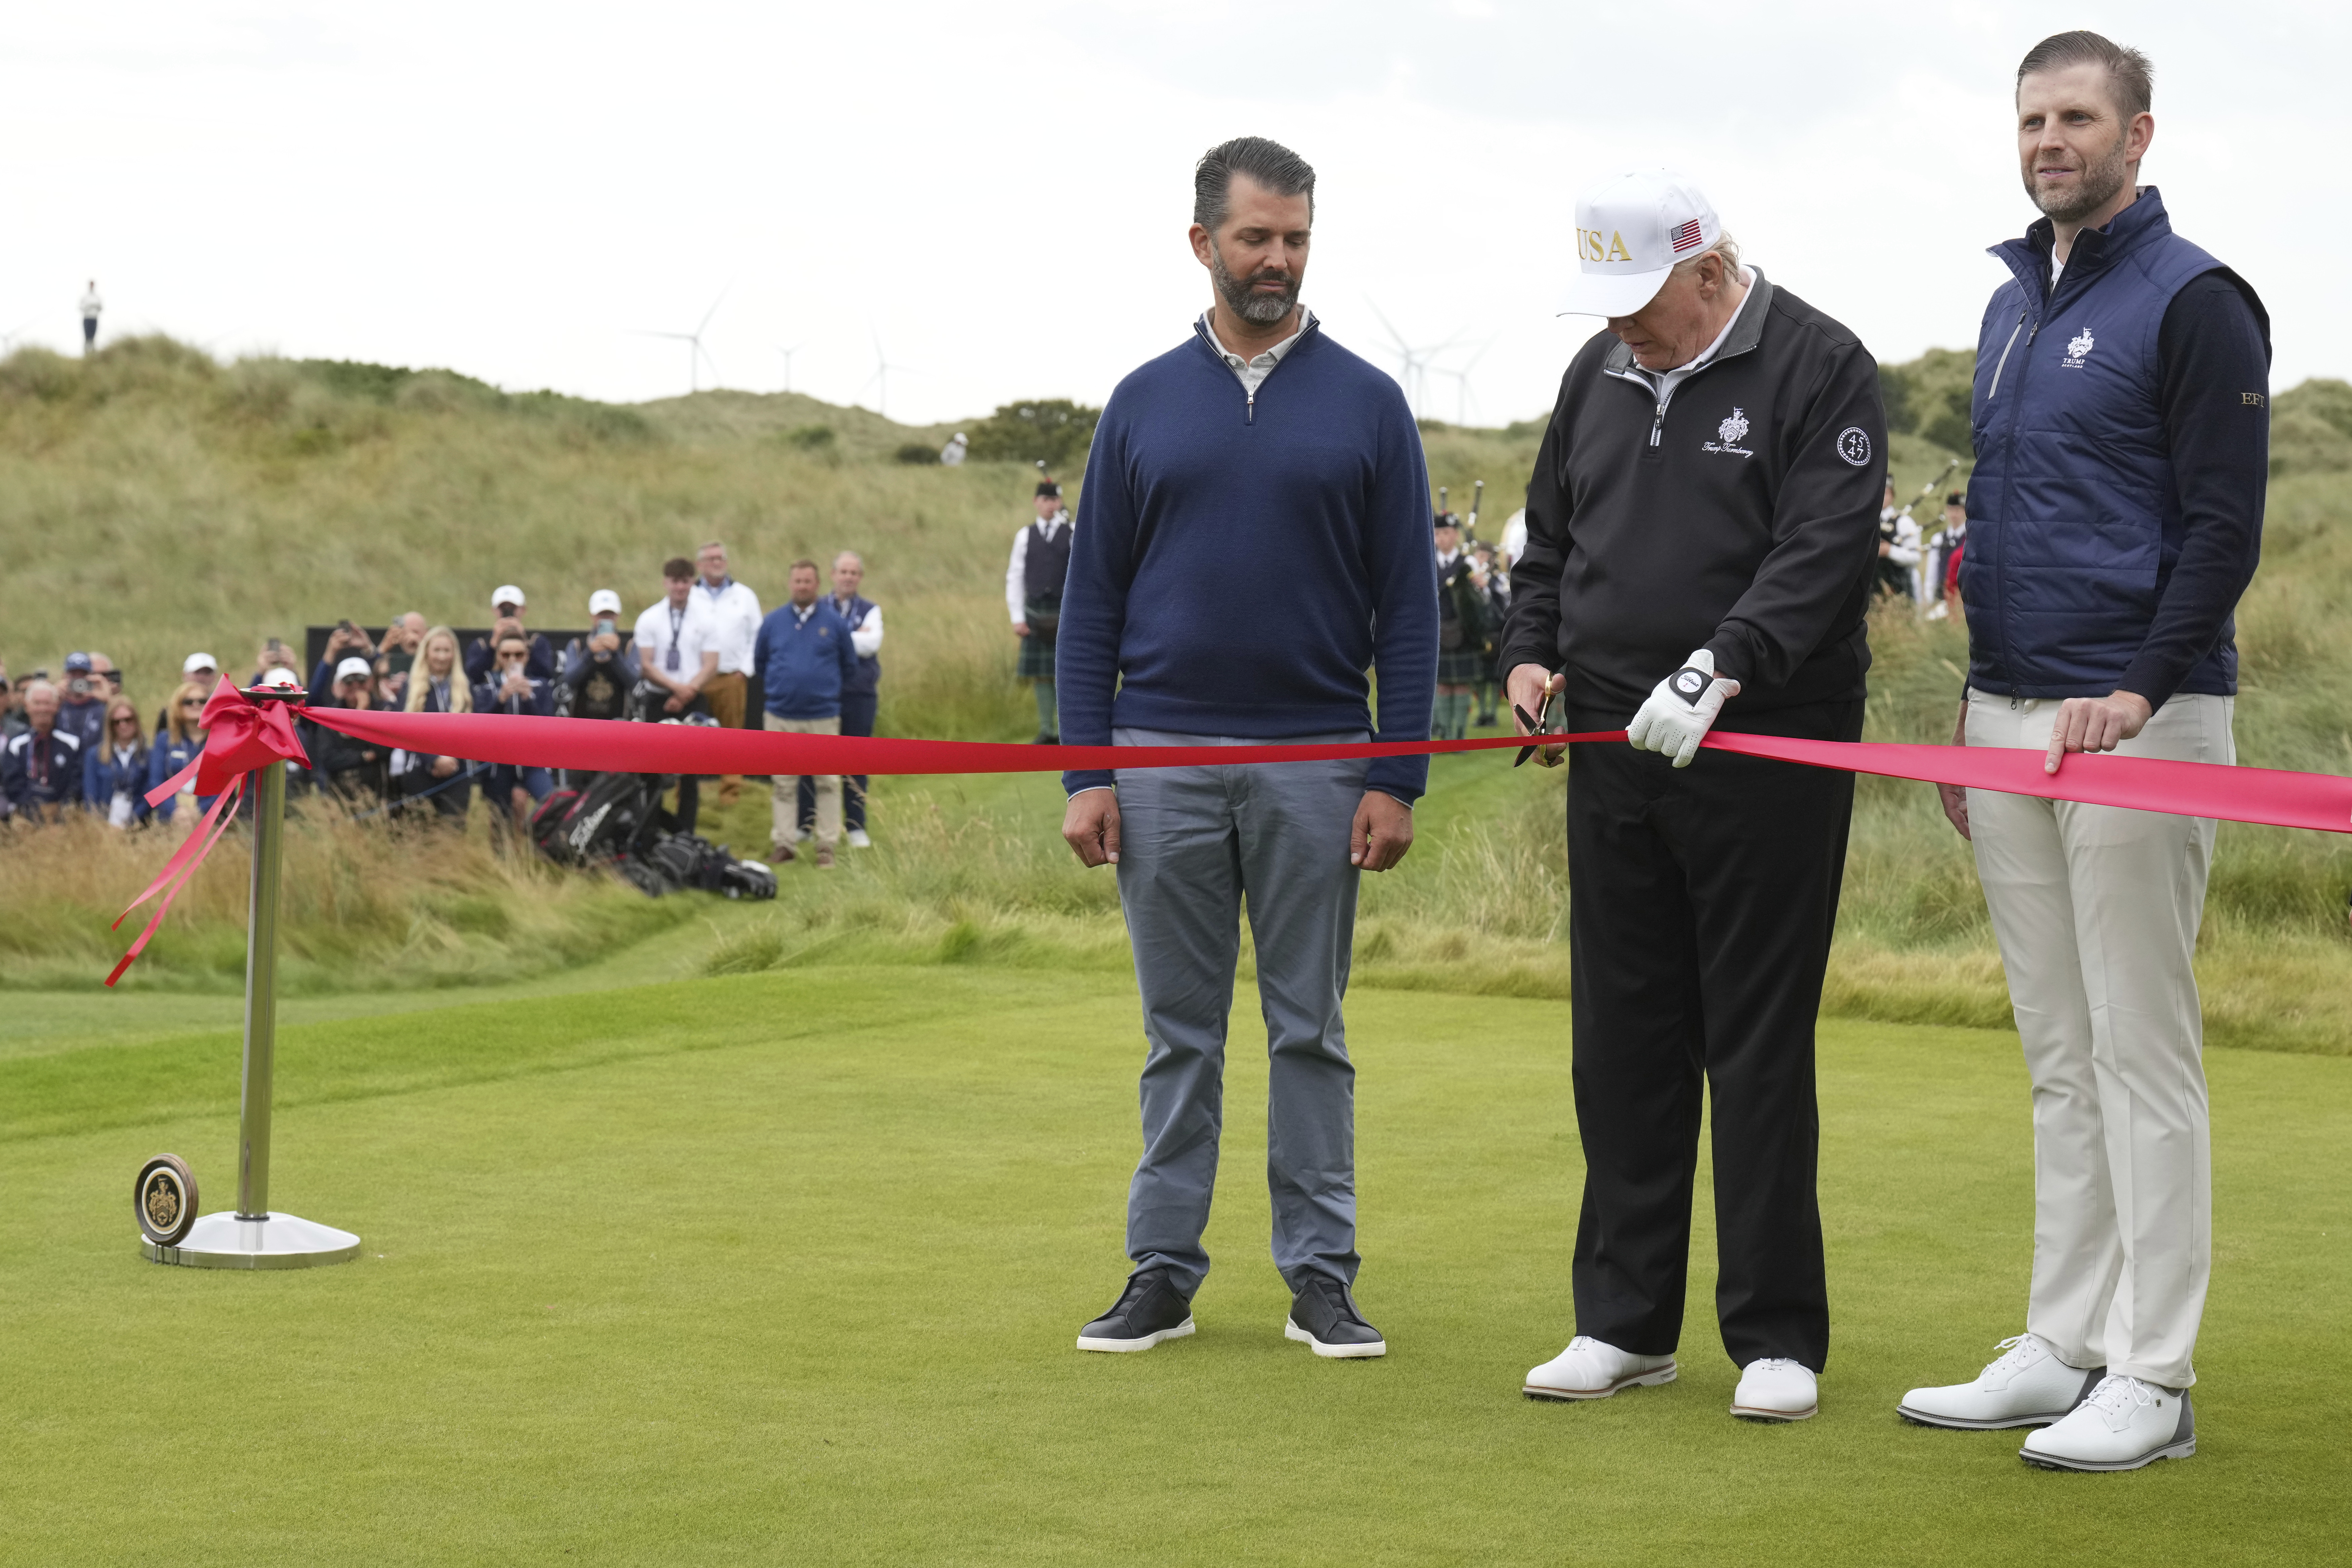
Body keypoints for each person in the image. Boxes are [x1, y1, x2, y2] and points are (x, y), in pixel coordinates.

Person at [1900, 32, 2270, 1475]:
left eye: (2075, 119)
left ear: (2138, 134)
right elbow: (2003, 525)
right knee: (2058, 1053)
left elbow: (2220, 529)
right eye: (2031, 120)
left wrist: (2133, 686)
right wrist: (1974, 698)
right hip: (2007, 716)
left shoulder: (2195, 302)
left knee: (2139, 1050)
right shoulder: (2009, 305)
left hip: (2140, 719)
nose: (2049, 139)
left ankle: (2153, 1376)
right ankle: (2061, 1344)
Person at [1501, 169, 1884, 1423]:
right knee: (1620, 1034)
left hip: (1767, 745)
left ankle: (1775, 1335)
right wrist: (1528, 651)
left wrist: (1721, 663)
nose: (1620, 326)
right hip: (1614, 740)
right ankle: (1623, 1322)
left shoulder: (1817, 363)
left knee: (1752, 1037)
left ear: (1708, 271)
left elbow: (1819, 554)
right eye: (1603, 302)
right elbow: (1546, 539)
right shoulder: (1595, 377)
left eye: (1639, 299)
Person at [1057, 135, 1435, 1361]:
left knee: (1308, 1033)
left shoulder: (1370, 404)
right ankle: (1160, 1272)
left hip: (1318, 764)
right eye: (1256, 237)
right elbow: (1091, 609)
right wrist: (1086, 771)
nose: (1276, 260)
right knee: (1180, 1036)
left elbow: (1409, 611)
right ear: (1203, 240)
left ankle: (1320, 1277)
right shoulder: (1141, 402)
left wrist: (1396, 772)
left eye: (1295, 240)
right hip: (1156, 760)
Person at [753, 558, 857, 868]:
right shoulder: (773, 622)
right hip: (781, 714)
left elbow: (849, 665)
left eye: (808, 581)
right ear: (790, 584)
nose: (802, 586)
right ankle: (785, 843)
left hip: (823, 715)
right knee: (784, 783)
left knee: (827, 781)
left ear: (818, 584)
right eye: (797, 581)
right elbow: (761, 663)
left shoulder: (834, 623)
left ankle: (826, 845)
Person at [799, 551, 884, 848]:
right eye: (843, 572)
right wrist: (850, 635)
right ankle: (806, 824)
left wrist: (833, 637)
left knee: (856, 759)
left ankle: (856, 825)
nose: (848, 577)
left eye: (854, 573)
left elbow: (871, 644)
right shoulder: (816, 606)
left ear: (860, 578)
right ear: (833, 575)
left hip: (859, 695)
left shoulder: (871, 610)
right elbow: (809, 642)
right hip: (821, 695)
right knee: (812, 759)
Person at [636, 559, 721, 832]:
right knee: (652, 769)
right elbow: (646, 665)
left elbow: (711, 663)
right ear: (666, 582)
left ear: (692, 582)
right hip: (659, 699)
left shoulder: (706, 618)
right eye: (675, 581)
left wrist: (687, 693)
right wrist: (675, 689)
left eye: (685, 581)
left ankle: (687, 833)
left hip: (692, 698)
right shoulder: (650, 618)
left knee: (690, 774)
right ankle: (650, 830)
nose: (680, 587)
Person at [695, 540, 764, 807]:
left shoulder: (744, 595)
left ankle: (730, 794)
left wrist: (745, 670)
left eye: (721, 557)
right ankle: (686, 792)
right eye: (711, 559)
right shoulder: (690, 594)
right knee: (690, 736)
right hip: (696, 679)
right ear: (700, 565)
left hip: (730, 677)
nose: (717, 562)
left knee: (733, 737)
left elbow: (757, 635)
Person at [1008, 479, 1074, 742]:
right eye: (1045, 500)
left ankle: (1066, 732)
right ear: (1036, 502)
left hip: (1065, 610)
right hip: (1035, 611)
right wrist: (1017, 617)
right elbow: (1015, 576)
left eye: (1054, 499)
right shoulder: (1025, 535)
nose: (1050, 504)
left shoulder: (1073, 531)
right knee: (1042, 676)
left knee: (1065, 673)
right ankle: (1047, 730)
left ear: (1060, 502)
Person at [473, 631, 555, 826]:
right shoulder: (486, 688)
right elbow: (480, 729)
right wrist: (500, 700)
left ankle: (540, 850)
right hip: (498, 765)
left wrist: (528, 699)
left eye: (518, 655)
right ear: (498, 656)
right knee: (500, 821)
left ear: (527, 656)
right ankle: (503, 855)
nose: (512, 660)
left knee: (550, 804)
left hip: (533, 762)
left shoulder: (541, 686)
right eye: (506, 655)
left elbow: (548, 727)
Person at [395, 626, 476, 822]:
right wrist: (434, 760)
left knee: (453, 834)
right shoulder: (411, 687)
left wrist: (450, 759)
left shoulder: (466, 688)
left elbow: (471, 731)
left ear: (454, 654)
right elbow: (405, 730)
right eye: (437, 650)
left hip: (458, 772)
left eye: (447, 651)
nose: (442, 657)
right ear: (427, 653)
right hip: (419, 770)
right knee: (421, 833)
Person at [306, 656, 390, 807]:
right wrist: (364, 756)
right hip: (339, 798)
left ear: (371, 682)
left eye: (361, 680)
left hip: (378, 796)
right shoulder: (330, 716)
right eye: (349, 681)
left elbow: (385, 750)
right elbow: (328, 758)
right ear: (339, 686)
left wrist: (364, 714)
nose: (356, 686)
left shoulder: (384, 711)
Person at [1432, 512, 1488, 739]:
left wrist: (1481, 587)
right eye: (1437, 533)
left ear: (1455, 534)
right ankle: (1445, 735)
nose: (1441, 538)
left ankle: (1460, 735)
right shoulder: (1427, 561)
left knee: (1463, 685)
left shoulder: (1467, 564)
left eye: (1446, 533)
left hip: (1463, 631)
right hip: (1436, 631)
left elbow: (1483, 600)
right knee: (1443, 686)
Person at [2, 681, 83, 821]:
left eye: (47, 703)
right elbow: (13, 783)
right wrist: (34, 812)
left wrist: (60, 811)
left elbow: (76, 783)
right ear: (27, 707)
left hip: (64, 817)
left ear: (57, 706)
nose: (42, 709)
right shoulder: (16, 745)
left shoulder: (73, 743)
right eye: (37, 703)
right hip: (25, 817)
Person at [84, 696, 154, 828]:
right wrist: (101, 825)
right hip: (103, 827)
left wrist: (130, 823)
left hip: (139, 827)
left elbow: (149, 795)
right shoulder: (95, 755)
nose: (123, 725)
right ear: (110, 725)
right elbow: (90, 795)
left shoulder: (148, 755)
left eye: (128, 720)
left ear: (136, 721)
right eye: (116, 722)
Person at [148, 681, 210, 826]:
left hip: (209, 820)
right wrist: (175, 812)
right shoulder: (164, 740)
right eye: (188, 702)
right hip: (170, 820)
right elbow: (156, 782)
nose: (196, 705)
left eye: (202, 701)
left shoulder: (218, 740)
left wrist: (200, 812)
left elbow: (224, 785)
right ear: (178, 706)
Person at [464, 586, 555, 682]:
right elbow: (472, 677)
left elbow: (547, 675)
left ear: (523, 610)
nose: (507, 612)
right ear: (494, 611)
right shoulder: (482, 644)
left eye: (513, 608)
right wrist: (491, 648)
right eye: (502, 608)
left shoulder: (536, 641)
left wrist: (525, 643)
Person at [1876, 479, 1923, 599]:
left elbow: (1915, 557)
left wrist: (1890, 551)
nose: (1882, 496)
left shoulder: (1904, 522)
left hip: (1901, 588)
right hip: (1873, 589)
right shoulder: (1868, 520)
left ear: (1893, 496)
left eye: (1886, 493)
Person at [1926, 492, 1968, 620]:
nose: (1954, 515)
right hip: (1942, 598)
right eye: (1951, 510)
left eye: (1958, 510)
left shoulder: (1971, 539)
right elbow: (1932, 573)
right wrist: (1929, 600)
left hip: (1964, 600)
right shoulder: (1939, 539)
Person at [57, 652, 108, 752]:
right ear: (65, 677)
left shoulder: (100, 707)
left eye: (82, 675)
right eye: (73, 674)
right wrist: (53, 694)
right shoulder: (58, 707)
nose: (78, 679)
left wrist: (107, 697)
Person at [80, 281, 101, 355]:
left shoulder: (97, 297)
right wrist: (90, 306)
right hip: (87, 318)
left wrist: (96, 306)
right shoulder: (85, 297)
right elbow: (81, 308)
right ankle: (86, 354)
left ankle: (93, 354)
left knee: (93, 337)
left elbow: (101, 308)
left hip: (94, 318)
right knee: (87, 337)